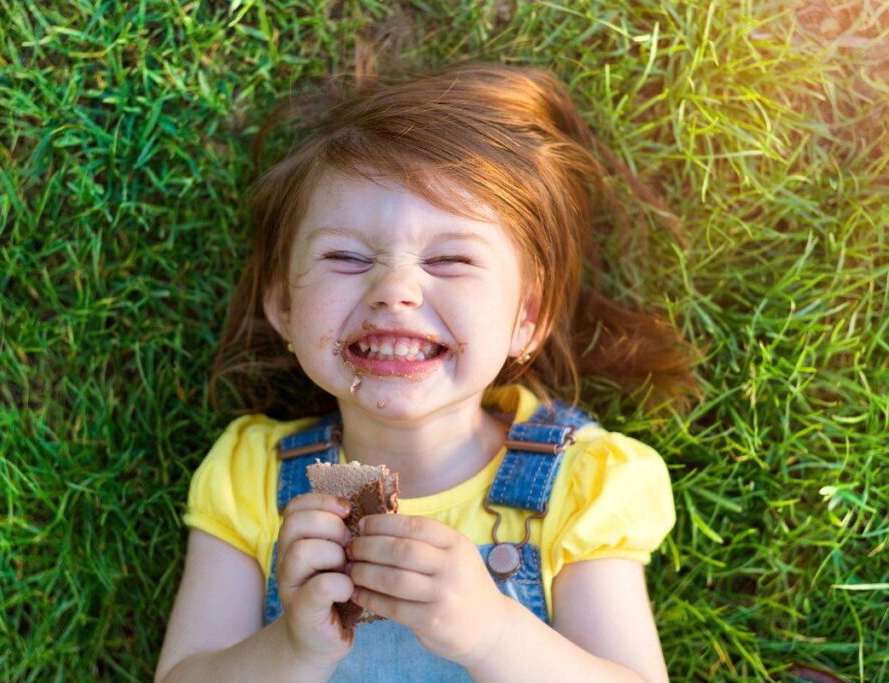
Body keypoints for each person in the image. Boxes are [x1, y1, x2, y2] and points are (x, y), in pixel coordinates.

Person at [155, 60, 700, 683]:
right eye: (346, 256)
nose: (395, 290)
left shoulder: (577, 486)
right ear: (282, 304)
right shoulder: (252, 477)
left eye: (449, 259)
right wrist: (292, 648)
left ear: (528, 315)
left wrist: (492, 633)